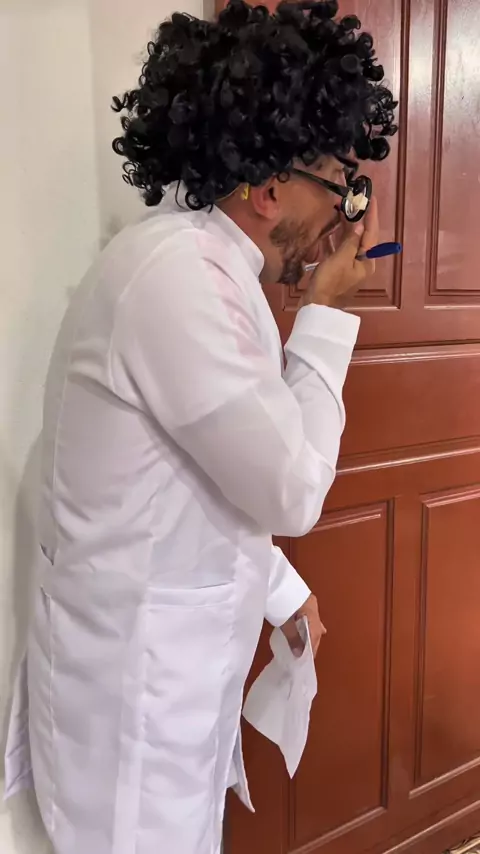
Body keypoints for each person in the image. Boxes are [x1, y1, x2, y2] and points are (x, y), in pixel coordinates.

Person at [4, 1, 396, 852]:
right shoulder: (179, 280)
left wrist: (282, 592)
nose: (344, 220)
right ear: (270, 188)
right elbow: (290, 488)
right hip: (133, 717)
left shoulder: (199, 271)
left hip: (157, 691)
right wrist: (326, 314)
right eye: (342, 187)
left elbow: (194, 478)